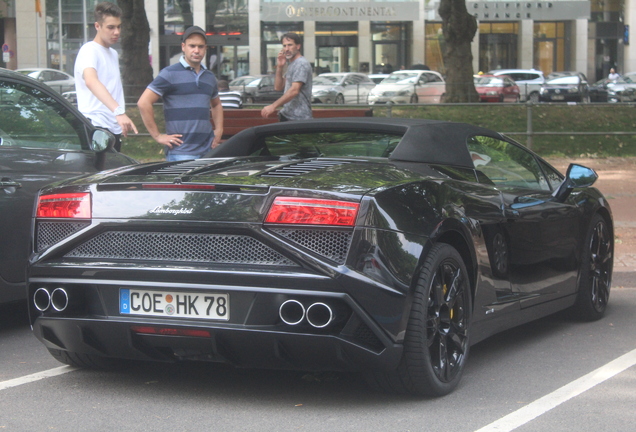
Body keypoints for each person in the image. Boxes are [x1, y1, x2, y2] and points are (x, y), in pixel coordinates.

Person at [137, 26, 223, 161]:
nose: (196, 50)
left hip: (208, 150)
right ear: (183, 47)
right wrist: (158, 136)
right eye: (192, 46)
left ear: (206, 48)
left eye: (200, 46)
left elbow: (216, 104)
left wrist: (219, 130)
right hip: (181, 152)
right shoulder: (169, 74)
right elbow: (143, 102)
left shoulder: (209, 77)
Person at [74, 2, 138, 152]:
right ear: (97, 26)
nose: (116, 32)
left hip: (113, 128)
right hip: (95, 126)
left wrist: (118, 116)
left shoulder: (113, 54)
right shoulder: (89, 50)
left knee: (113, 174)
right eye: (111, 27)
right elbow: (91, 81)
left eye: (119, 26)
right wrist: (119, 112)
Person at [261, 33, 312, 121]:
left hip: (298, 117)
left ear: (298, 46)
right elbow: (278, 87)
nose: (287, 49)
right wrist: (280, 67)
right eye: (284, 46)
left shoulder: (301, 64)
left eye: (290, 45)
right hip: (288, 115)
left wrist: (273, 106)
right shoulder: (292, 64)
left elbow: (294, 90)